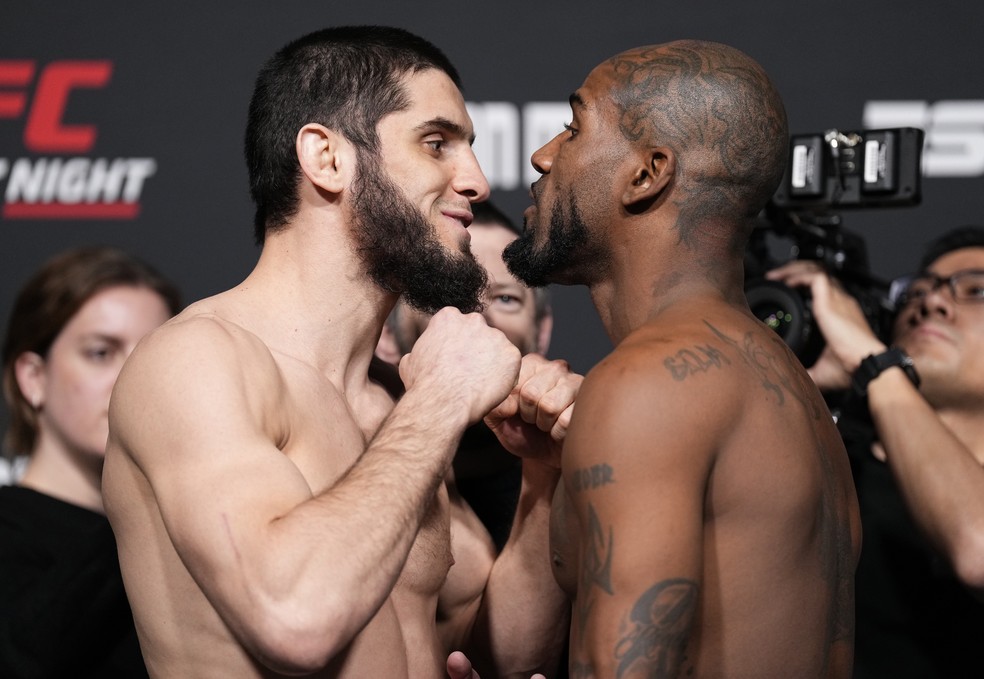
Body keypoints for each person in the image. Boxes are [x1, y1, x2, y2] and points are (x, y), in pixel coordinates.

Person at [102, 26, 572, 679]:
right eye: (437, 144)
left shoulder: (393, 409)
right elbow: (294, 619)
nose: (476, 180)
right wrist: (440, 399)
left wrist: (545, 484)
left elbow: (482, 655)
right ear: (326, 158)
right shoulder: (198, 361)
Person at [501, 40, 862, 677]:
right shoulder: (788, 387)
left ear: (647, 174)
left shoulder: (647, 385)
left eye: (574, 127)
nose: (543, 155)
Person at [768, 225, 984, 678]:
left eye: (976, 291)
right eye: (916, 293)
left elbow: (978, 551)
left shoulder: (876, 366)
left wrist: (877, 366)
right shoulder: (827, 452)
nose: (931, 303)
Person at [0, 246, 181, 678]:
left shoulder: (185, 530)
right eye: (101, 353)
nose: (132, 377)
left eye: (150, 353)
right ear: (33, 378)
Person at [378, 199, 554, 550]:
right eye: (448, 297)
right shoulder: (341, 455)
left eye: (505, 299)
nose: (479, 318)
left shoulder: (568, 470)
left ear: (542, 330)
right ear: (385, 334)